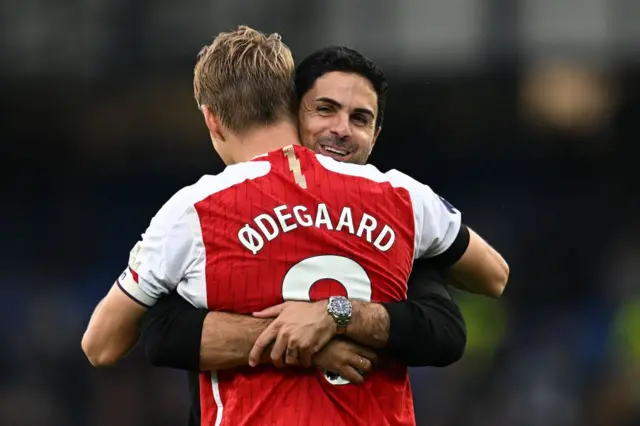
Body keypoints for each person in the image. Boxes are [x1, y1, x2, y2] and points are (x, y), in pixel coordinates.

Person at [82, 26, 509, 426]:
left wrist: (309, 329)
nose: (341, 129)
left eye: (358, 119)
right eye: (328, 109)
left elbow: (100, 345)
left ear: (211, 118)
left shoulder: (194, 210)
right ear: (291, 104)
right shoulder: (402, 197)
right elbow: (494, 276)